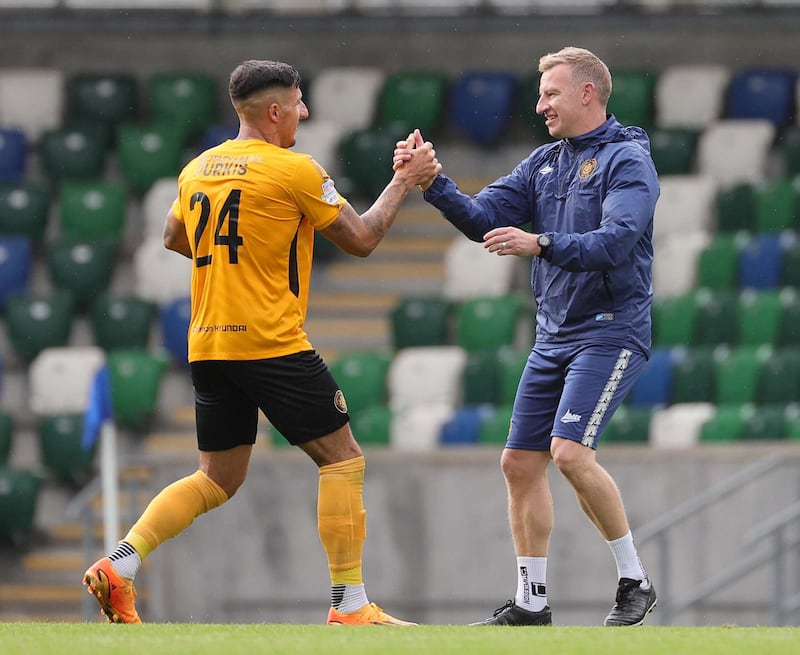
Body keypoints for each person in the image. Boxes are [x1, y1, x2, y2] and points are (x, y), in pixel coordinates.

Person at [82, 59, 440, 626]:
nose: (304, 112)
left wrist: (240, 254)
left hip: (207, 344)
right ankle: (350, 604)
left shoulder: (198, 168)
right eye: (298, 103)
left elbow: (175, 235)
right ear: (275, 111)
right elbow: (363, 239)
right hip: (271, 341)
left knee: (216, 477)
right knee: (342, 458)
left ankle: (120, 565)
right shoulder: (293, 169)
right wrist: (404, 179)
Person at [394, 46, 659, 627]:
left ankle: (635, 580)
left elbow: (616, 242)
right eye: (541, 94)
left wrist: (538, 243)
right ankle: (532, 602)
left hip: (610, 331)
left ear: (587, 93)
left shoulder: (627, 161)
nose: (540, 105)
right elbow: (483, 218)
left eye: (551, 94)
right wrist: (432, 182)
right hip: (554, 334)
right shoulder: (545, 162)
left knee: (568, 453)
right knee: (518, 464)